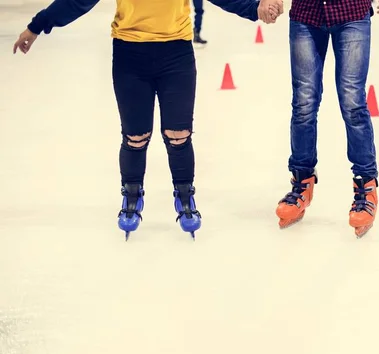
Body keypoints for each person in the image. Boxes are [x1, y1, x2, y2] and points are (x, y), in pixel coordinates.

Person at [13, 0, 283, 240]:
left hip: (176, 54)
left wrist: (256, 6)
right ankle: (132, 196)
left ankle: (185, 196)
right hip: (130, 56)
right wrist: (38, 25)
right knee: (135, 137)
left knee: (179, 134)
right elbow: (77, 2)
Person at [273, 0, 379, 238]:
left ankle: (365, 185)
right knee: (303, 103)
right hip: (306, 15)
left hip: (352, 13)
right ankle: (301, 182)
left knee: (352, 102)